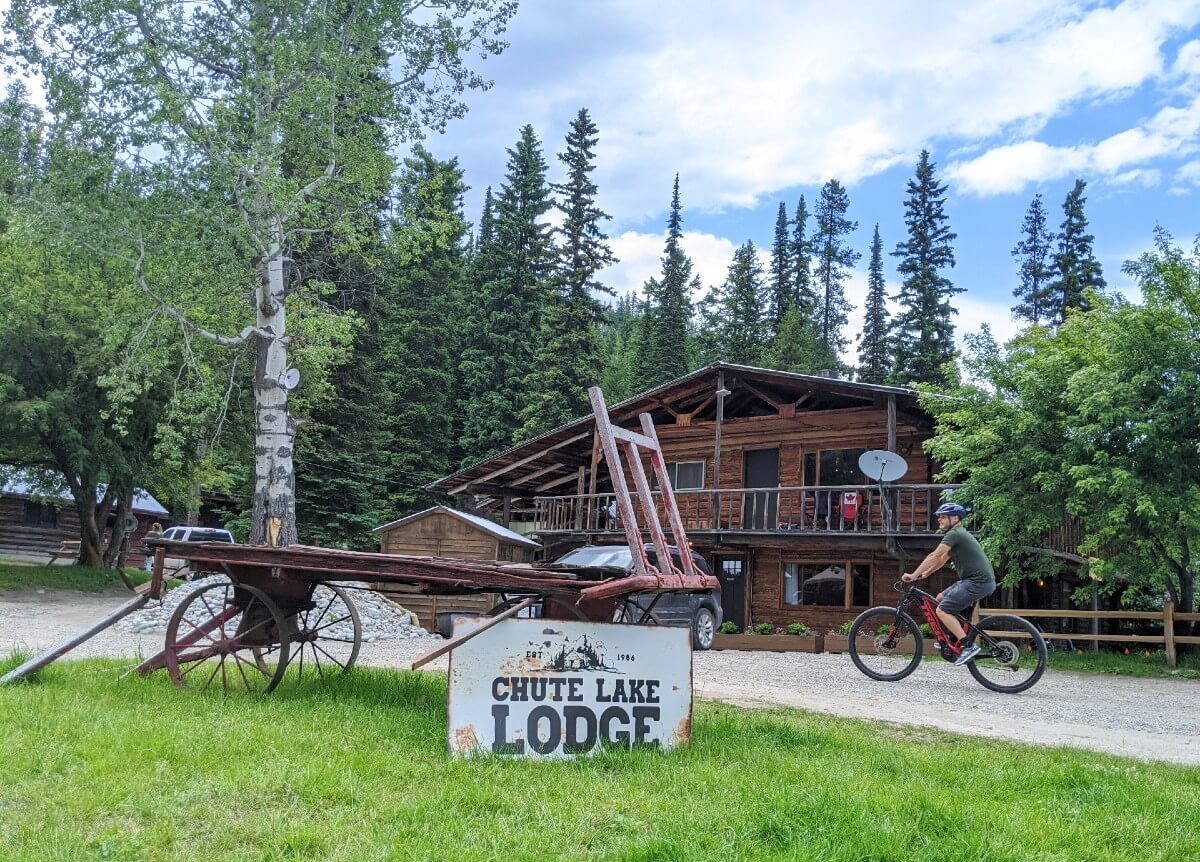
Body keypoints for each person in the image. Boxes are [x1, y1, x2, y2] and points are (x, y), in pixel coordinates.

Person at [901, 502, 996, 666]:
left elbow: (934, 555)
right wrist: (926, 574)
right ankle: (953, 640)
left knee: (942, 610)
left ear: (955, 518)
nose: (939, 520)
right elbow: (941, 559)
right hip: (973, 581)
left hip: (978, 582)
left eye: (943, 517)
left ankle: (968, 645)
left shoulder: (955, 533)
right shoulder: (957, 534)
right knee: (939, 598)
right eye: (939, 517)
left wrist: (913, 575)